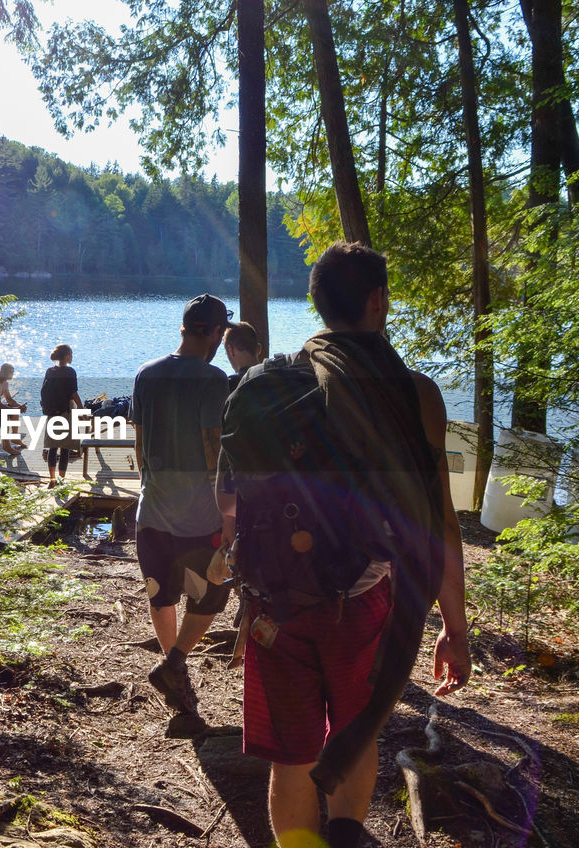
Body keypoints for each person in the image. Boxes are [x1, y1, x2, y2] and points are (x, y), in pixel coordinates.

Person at [218, 243, 470, 848]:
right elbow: (437, 524)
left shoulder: (267, 386)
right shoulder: (414, 395)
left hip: (275, 602)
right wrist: (454, 626)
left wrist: (249, 580)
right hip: (362, 605)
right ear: (379, 301)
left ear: (317, 304)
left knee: (291, 756)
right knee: (357, 732)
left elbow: (228, 501)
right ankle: (349, 834)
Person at [131, 294, 234, 715]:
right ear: (213, 332)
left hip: (151, 510)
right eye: (221, 330)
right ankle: (174, 663)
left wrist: (151, 484)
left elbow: (139, 445)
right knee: (211, 594)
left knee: (161, 593)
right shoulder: (213, 380)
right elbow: (215, 452)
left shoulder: (145, 374)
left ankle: (174, 670)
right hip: (199, 516)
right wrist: (228, 514)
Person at [41, 344, 82, 488]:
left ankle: (52, 480)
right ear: (66, 356)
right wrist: (82, 410)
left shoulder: (49, 371)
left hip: (52, 412)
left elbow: (44, 391)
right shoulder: (70, 372)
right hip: (66, 411)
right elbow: (73, 393)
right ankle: (61, 480)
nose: (72, 356)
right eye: (71, 354)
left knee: (53, 447)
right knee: (65, 447)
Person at [223, 321, 261, 391]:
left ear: (231, 350)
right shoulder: (273, 376)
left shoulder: (231, 384)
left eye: (226, 353)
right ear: (259, 349)